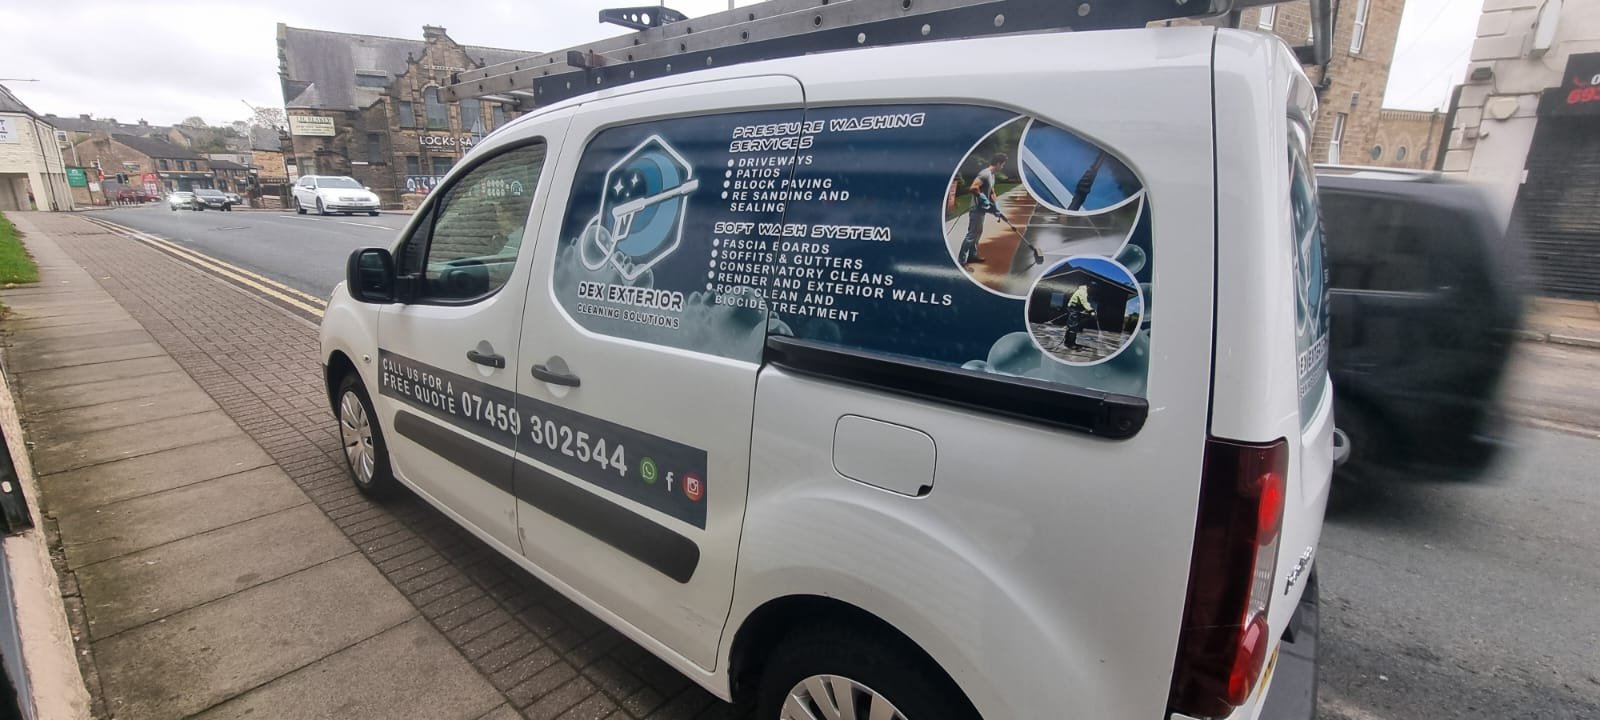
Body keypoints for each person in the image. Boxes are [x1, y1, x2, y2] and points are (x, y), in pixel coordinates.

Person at [958, 153, 1007, 265]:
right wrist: (982, 197)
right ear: (998, 163)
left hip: (982, 210)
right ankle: (961, 260)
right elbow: (973, 187)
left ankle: (972, 256)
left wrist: (996, 206)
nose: (1002, 167)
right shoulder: (985, 174)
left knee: (977, 233)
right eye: (1002, 165)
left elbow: (992, 192)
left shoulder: (992, 175)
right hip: (976, 209)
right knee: (972, 235)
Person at [1061, 280, 1096, 350]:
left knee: (1074, 326)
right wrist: (1091, 310)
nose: (1093, 290)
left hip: (1075, 308)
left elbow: (1084, 303)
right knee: (1073, 326)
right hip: (1073, 308)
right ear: (1089, 286)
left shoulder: (1083, 290)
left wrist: (1088, 310)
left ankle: (1069, 342)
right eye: (1092, 288)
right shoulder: (1082, 291)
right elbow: (1084, 302)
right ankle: (1069, 344)